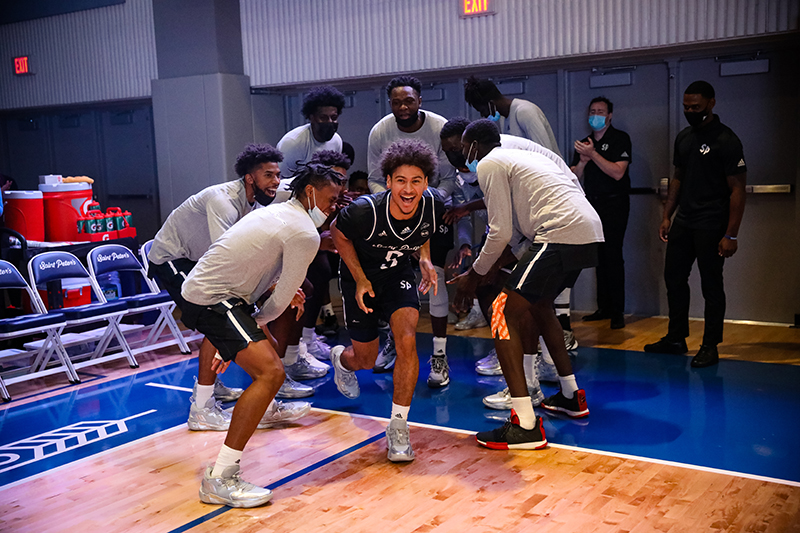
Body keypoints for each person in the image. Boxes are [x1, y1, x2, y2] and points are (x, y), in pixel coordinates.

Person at [181, 163, 343, 507]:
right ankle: (220, 478)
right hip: (213, 298)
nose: (333, 207)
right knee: (271, 371)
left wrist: (239, 337)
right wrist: (247, 330)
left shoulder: (279, 210)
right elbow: (279, 304)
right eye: (331, 200)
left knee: (267, 354)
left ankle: (261, 411)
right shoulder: (305, 232)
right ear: (310, 192)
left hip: (214, 293)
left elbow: (260, 269)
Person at [451, 120, 603, 449]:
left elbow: (500, 232)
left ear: (475, 145)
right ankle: (570, 395)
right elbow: (518, 237)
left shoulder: (490, 162)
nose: (463, 155)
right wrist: (489, 268)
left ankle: (525, 424)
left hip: (559, 232)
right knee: (540, 306)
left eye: (463, 148)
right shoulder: (523, 158)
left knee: (501, 313)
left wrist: (473, 276)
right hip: (588, 231)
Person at [148, 143, 310, 430]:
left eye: (278, 175)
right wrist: (274, 286)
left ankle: (253, 394)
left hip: (205, 262)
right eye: (269, 175)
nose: (276, 182)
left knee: (233, 319)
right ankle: (202, 408)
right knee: (217, 317)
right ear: (249, 178)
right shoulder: (221, 201)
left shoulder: (262, 195)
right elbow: (228, 256)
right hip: (173, 259)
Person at [330, 139, 443, 462]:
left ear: (426, 183)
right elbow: (338, 233)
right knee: (366, 359)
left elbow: (424, 230)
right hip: (360, 278)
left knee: (407, 339)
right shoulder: (364, 211)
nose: (408, 189)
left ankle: (398, 426)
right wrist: (359, 277)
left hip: (397, 275)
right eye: (401, 181)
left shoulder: (434, 204)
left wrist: (424, 258)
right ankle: (342, 361)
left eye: (416, 181)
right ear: (389, 182)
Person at [464, 76, 578, 352]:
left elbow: (547, 160)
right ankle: (539, 356)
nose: (483, 116)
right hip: (531, 211)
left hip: (553, 208)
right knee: (526, 297)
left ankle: (548, 341)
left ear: (489, 102)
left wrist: (476, 272)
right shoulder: (504, 121)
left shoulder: (525, 112)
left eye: (482, 109)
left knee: (519, 300)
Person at [644, 81, 746, 368]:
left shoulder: (727, 140)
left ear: (711, 103)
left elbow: (738, 189)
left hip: (712, 222)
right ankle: (676, 338)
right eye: (686, 107)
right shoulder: (684, 138)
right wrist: (667, 215)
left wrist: (731, 234)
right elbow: (678, 177)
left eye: (696, 107)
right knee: (674, 278)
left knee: (711, 284)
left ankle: (710, 345)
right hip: (684, 220)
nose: (690, 111)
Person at [571, 97, 632, 330]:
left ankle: (617, 312)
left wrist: (593, 154)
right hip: (592, 204)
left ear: (609, 116)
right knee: (598, 257)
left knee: (613, 256)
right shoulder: (583, 143)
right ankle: (603, 307)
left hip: (615, 204)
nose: (595, 115)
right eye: (592, 111)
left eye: (600, 111)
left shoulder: (620, 139)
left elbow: (618, 172)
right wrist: (583, 161)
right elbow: (574, 176)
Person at [367, 75, 456, 195]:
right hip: (394, 199)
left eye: (409, 101)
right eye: (396, 103)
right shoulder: (379, 131)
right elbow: (375, 180)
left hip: (434, 197)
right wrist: (388, 201)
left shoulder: (440, 127)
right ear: (390, 104)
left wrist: (433, 200)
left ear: (419, 101)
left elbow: (448, 179)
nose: (403, 107)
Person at [277, 85, 346, 177]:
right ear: (312, 117)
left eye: (334, 117)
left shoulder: (336, 141)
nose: (329, 121)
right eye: (323, 117)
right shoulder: (293, 143)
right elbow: (280, 180)